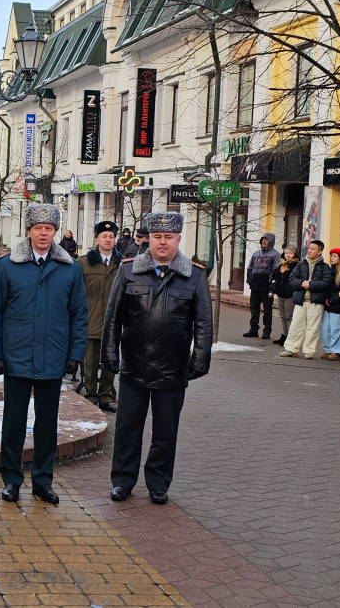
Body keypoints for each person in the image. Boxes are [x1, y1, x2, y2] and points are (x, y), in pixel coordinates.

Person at [102, 212, 212, 505]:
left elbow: (203, 322)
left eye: (168, 237)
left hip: (172, 368)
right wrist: (109, 353)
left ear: (178, 239)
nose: (162, 242)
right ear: (149, 239)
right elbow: (113, 318)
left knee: (165, 431)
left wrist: (200, 360)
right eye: (157, 236)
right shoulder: (128, 271)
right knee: (127, 428)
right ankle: (122, 481)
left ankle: (159, 483)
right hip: (134, 364)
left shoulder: (194, 276)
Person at [0, 203, 88, 505]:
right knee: (13, 423)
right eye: (37, 228)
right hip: (16, 356)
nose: (43, 233)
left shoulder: (70, 269)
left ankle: (43, 480)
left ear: (55, 232)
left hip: (53, 357)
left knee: (47, 424)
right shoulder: (7, 266)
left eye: (48, 228)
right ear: (29, 231)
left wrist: (75, 354)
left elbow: (78, 315)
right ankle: (12, 479)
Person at [81, 221, 121, 412]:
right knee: (89, 361)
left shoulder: (122, 264)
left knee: (110, 360)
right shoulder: (83, 263)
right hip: (90, 318)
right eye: (104, 236)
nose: (108, 240)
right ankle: (91, 394)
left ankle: (105, 395)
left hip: (113, 321)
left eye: (111, 237)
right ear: (97, 239)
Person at [280, 240, 334, 360]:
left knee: (312, 328)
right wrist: (301, 283)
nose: (309, 251)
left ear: (319, 252)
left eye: (313, 249)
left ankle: (309, 351)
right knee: (296, 326)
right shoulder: (301, 264)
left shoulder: (324, 267)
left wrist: (311, 285)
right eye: (309, 248)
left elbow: (326, 283)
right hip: (300, 300)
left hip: (315, 302)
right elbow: (292, 279)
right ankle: (291, 349)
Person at [244, 233, 280, 339]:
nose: (264, 241)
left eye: (266, 240)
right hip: (255, 286)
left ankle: (267, 330)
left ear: (271, 241)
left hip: (266, 287)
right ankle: (253, 329)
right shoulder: (256, 254)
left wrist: (272, 287)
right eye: (262, 239)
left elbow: (275, 271)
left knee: (267, 310)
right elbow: (250, 268)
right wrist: (250, 280)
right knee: (254, 308)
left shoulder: (275, 254)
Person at [269, 246, 299, 346]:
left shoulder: (296, 266)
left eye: (290, 253)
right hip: (280, 294)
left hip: (290, 295)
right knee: (283, 317)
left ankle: (290, 337)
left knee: (289, 317)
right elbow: (274, 277)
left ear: (294, 254)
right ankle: (284, 334)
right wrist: (273, 289)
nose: (288, 255)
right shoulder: (280, 265)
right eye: (286, 253)